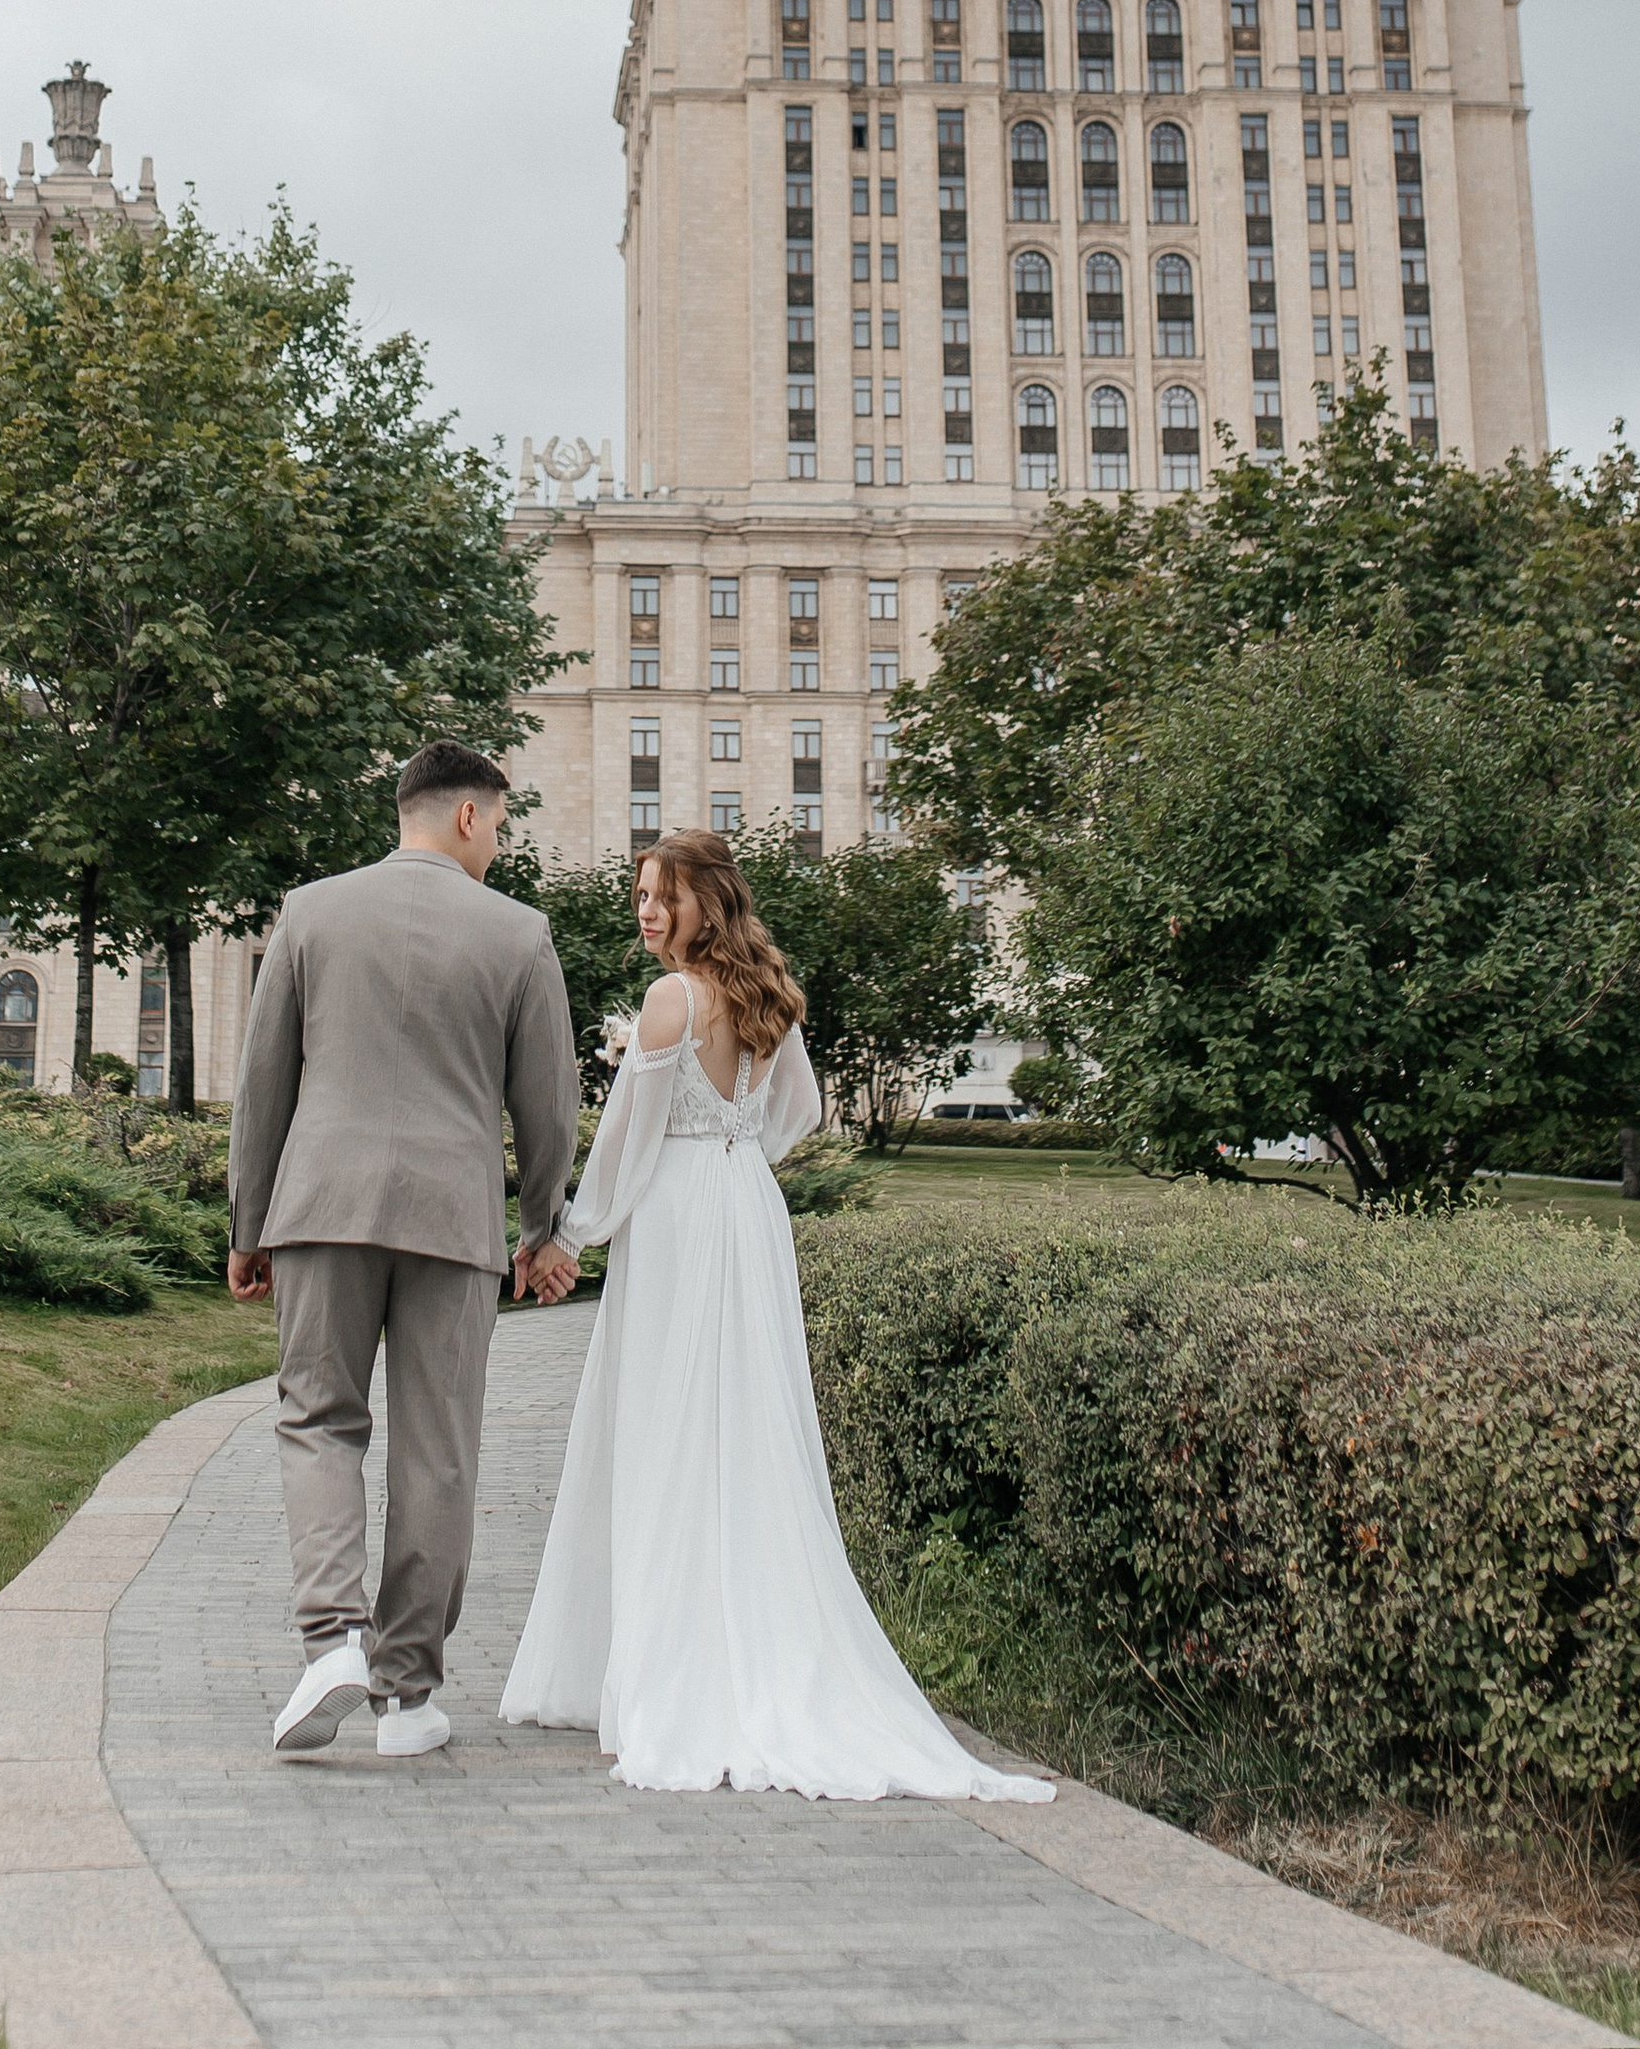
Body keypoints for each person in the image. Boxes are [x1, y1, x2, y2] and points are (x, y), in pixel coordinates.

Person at [501, 827, 1053, 1804]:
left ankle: (661, 1679)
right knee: (743, 1430)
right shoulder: (762, 998)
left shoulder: (671, 999)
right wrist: (738, 1150)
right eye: (639, 894)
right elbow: (798, 1112)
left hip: (675, 1217)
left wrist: (569, 1234)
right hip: (749, 1212)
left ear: (703, 903)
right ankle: (738, 1643)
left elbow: (625, 1147)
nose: (645, 911)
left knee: (666, 1429)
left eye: (660, 895)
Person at [228, 737, 581, 1760]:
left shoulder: (310, 911)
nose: (499, 846)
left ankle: (330, 1637)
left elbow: (264, 1086)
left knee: (319, 1421)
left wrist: (250, 1227)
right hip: (450, 1220)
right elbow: (547, 1108)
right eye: (501, 826)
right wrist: (538, 1227)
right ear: (469, 815)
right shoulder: (520, 934)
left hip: (320, 1207)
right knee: (438, 1447)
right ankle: (407, 1695)